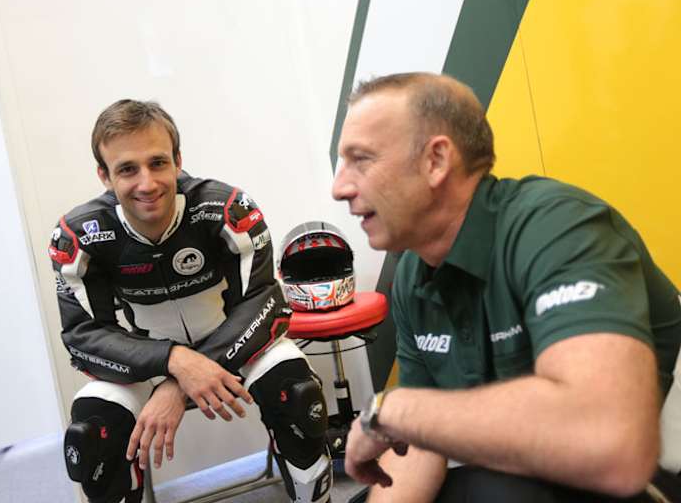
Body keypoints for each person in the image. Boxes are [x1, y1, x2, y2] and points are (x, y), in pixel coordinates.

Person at [332, 72, 681, 502]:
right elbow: (418, 446)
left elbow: (610, 442)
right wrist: (401, 416)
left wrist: (393, 410)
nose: (339, 187)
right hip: (531, 474)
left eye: (361, 159)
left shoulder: (557, 227)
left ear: (436, 161)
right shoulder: (413, 275)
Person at [49, 100, 332, 503]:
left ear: (178, 161)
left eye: (158, 163)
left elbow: (263, 300)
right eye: (127, 169)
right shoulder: (79, 236)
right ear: (104, 176)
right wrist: (174, 364)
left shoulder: (226, 209)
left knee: (297, 391)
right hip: (145, 360)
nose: (147, 183)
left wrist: (178, 385)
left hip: (235, 342)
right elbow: (83, 335)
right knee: (93, 432)